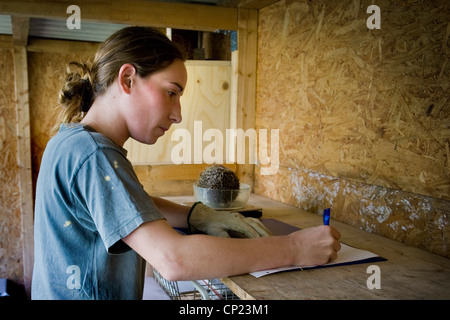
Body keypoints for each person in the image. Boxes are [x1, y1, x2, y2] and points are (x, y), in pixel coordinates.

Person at [31, 26, 341, 300]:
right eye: (170, 92)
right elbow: (173, 260)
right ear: (127, 79)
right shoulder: (94, 154)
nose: (177, 113)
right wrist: (295, 248)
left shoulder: (72, 141)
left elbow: (121, 206)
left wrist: (196, 216)